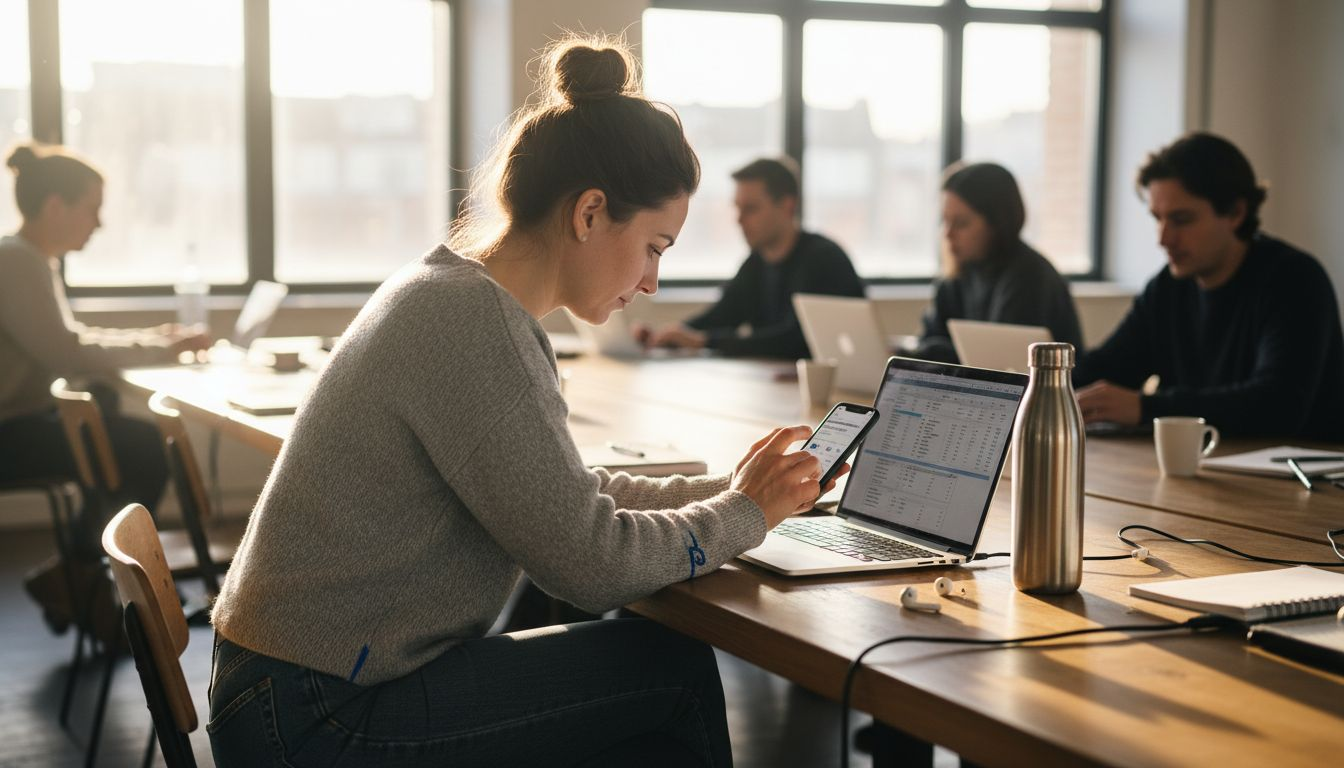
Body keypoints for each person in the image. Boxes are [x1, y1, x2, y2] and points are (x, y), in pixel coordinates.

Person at [207, 39, 838, 768]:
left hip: (290, 689)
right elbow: (589, 566)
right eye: (655, 247)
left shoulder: (452, 292)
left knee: (647, 671)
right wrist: (742, 514)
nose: (653, 282)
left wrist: (737, 492)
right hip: (314, 717)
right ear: (590, 212)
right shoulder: (474, 324)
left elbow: (563, 498)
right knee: (671, 673)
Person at [0, 143, 210, 628]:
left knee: (108, 411)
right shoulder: (17, 262)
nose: (99, 223)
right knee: (146, 449)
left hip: (20, 420)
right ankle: (82, 578)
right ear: (56, 206)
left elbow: (70, 343)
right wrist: (158, 346)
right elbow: (66, 351)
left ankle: (76, 578)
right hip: (8, 432)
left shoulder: (30, 260)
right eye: (92, 208)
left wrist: (156, 341)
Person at [1074, 132, 1344, 440]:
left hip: (1299, 467)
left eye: (1181, 220)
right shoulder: (1167, 289)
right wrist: (1047, 386)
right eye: (1157, 218)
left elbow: (1277, 406)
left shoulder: (1295, 280)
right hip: (1203, 464)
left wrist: (1146, 408)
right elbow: (1105, 368)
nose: (1163, 238)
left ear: (1235, 213)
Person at [635, 157, 865, 359]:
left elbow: (795, 340)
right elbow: (722, 315)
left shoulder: (824, 260)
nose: (739, 220)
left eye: (751, 209)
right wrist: (666, 335)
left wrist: (706, 341)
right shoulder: (756, 263)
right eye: (738, 208)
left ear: (787, 206)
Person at [912, 161, 1083, 363]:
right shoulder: (958, 274)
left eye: (961, 223)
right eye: (945, 221)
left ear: (997, 223)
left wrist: (932, 351)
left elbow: (1002, 362)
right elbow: (929, 340)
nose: (948, 234)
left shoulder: (1029, 277)